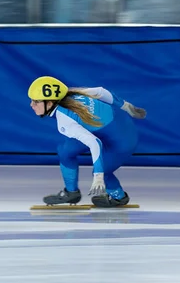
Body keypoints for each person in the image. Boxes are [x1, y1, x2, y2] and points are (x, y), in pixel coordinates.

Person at [27, 76, 146, 208]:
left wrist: (98, 175)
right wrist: (127, 106)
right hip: (115, 125)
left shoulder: (64, 121)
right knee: (65, 151)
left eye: (36, 102)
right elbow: (101, 92)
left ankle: (119, 197)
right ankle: (71, 193)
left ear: (49, 103)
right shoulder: (73, 94)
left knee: (104, 169)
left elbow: (95, 143)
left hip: (122, 141)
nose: (31, 105)